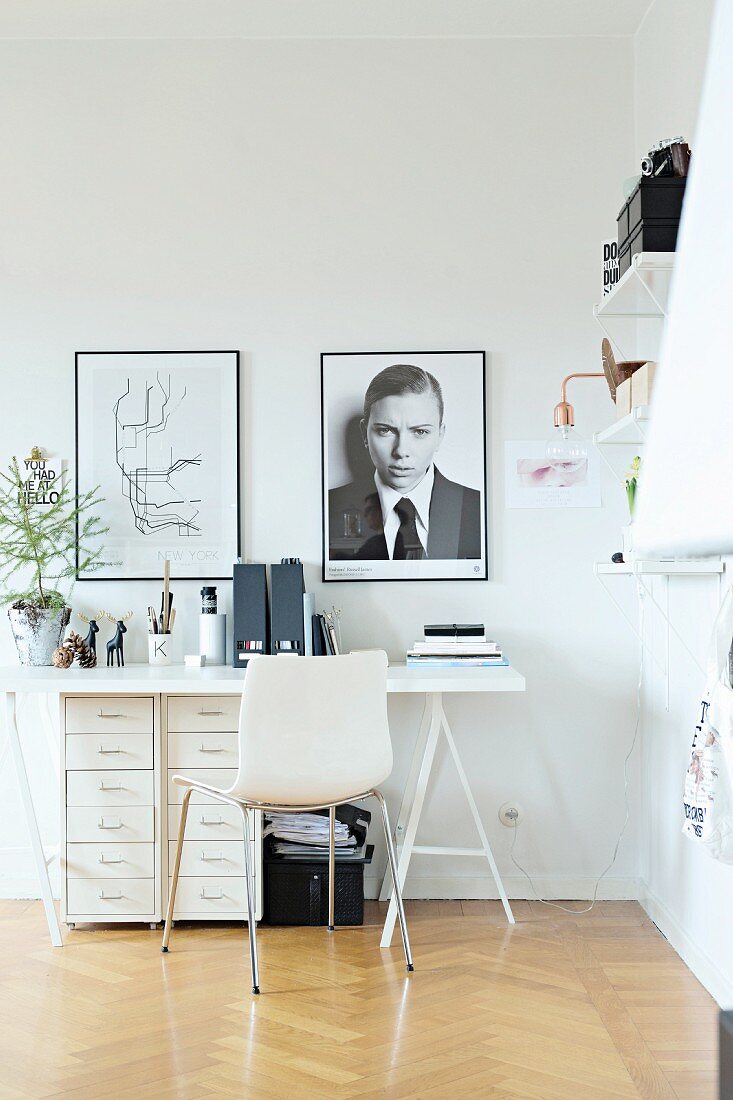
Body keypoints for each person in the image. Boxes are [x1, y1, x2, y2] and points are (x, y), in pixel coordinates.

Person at [328, 364, 481, 561]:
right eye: (385, 430)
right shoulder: (328, 506)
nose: (401, 451)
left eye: (420, 432)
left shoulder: (477, 509)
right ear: (364, 434)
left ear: (440, 435)